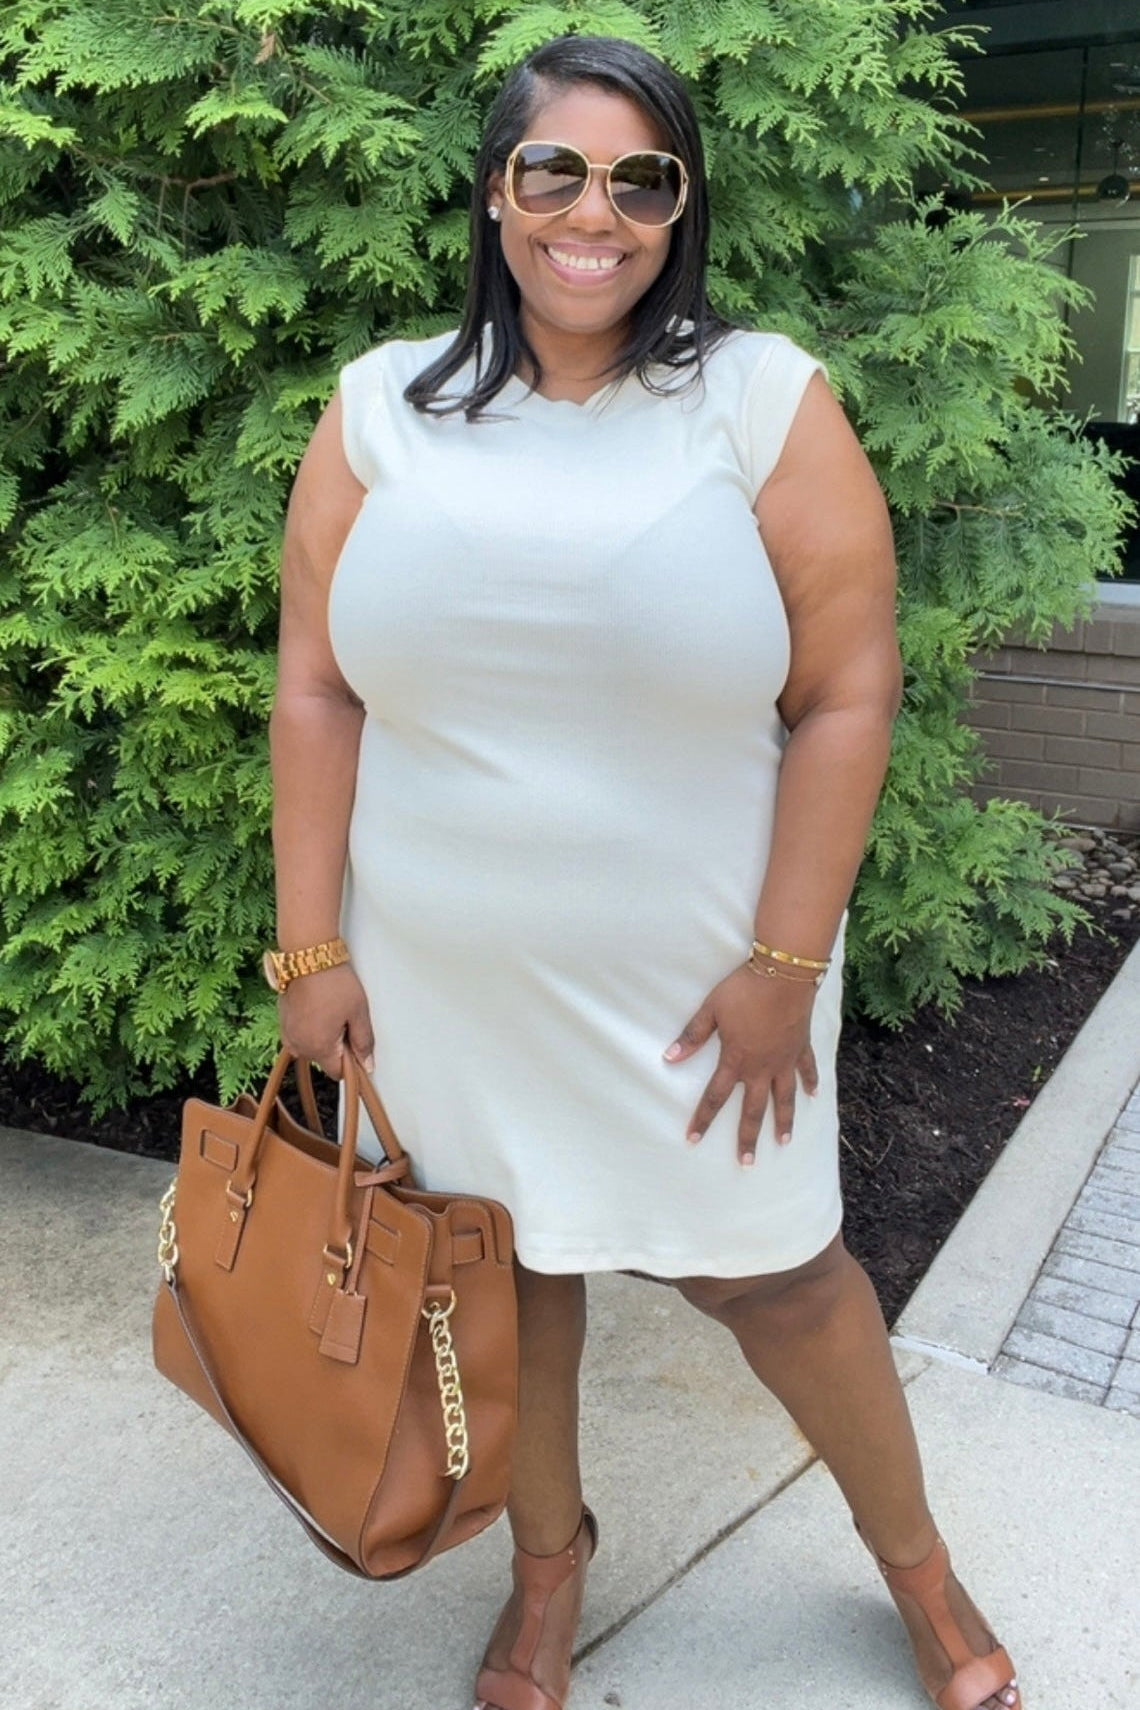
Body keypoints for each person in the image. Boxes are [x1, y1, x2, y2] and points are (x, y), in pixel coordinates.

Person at [267, 32, 1021, 1710]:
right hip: (441, 980)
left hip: (702, 988)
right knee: (509, 1277)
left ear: (680, 210)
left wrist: (786, 966)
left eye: (639, 180)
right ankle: (551, 1576)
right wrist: (306, 949)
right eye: (555, 170)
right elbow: (315, 680)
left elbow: (845, 690)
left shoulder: (758, 401)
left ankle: (921, 1569)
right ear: (495, 190)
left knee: (783, 1279)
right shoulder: (382, 405)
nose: (591, 212)